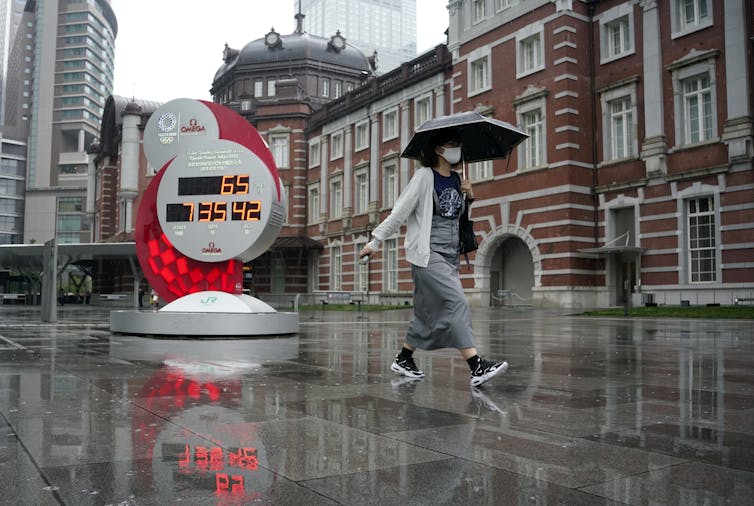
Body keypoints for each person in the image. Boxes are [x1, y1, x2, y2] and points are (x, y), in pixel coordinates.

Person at [359, 129, 508, 387]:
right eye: (453, 145)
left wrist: (468, 196)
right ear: (439, 149)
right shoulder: (424, 177)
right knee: (457, 302)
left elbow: (457, 219)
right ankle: (476, 366)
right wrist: (375, 240)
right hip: (428, 254)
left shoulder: (457, 179)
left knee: (425, 313)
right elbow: (400, 212)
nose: (457, 149)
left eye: (459, 145)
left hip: (450, 255)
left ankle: (404, 358)